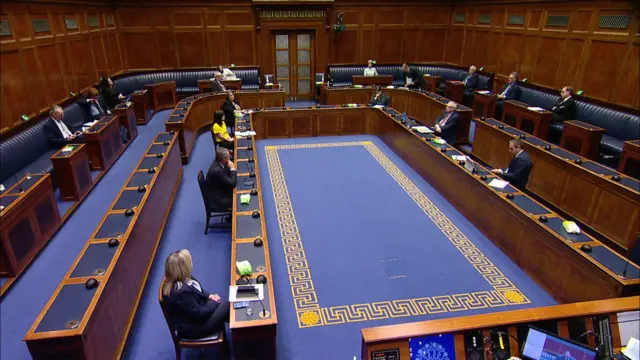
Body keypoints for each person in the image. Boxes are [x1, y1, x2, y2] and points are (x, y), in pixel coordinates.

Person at [161, 249, 229, 340]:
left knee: (226, 310)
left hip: (194, 316)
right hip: (194, 328)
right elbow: (199, 314)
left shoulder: (180, 277)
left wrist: (209, 296)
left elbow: (197, 289)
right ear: (183, 268)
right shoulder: (181, 292)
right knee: (226, 306)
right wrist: (214, 302)